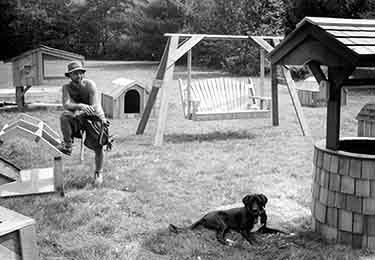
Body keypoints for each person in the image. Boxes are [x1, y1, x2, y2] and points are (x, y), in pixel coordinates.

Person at [58, 60, 109, 185]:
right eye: (75, 74)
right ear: (69, 76)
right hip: (79, 115)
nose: (79, 76)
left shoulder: (90, 85)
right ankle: (68, 145)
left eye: (80, 73)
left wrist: (78, 110)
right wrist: (80, 106)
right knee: (64, 116)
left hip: (95, 117)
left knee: (98, 147)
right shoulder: (66, 87)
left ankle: (98, 172)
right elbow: (66, 105)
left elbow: (93, 108)